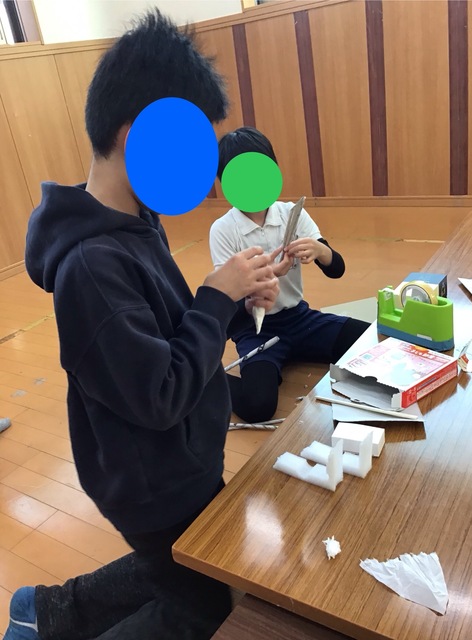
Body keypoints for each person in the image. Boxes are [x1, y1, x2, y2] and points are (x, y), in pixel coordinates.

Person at [5, 12, 279, 640]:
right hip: (152, 476)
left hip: (179, 455)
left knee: (181, 566)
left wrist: (232, 302)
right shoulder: (91, 266)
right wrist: (216, 297)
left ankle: (45, 612)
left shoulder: (135, 223)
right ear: (136, 136)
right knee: (199, 606)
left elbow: (170, 332)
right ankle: (51, 617)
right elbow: (157, 393)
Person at [210, 127, 370, 424]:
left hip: (300, 319)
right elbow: (228, 301)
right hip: (256, 329)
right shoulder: (223, 229)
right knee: (258, 406)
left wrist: (321, 251)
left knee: (371, 341)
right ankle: (207, 380)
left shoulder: (290, 214)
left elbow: (337, 269)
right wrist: (270, 274)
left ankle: (290, 355)